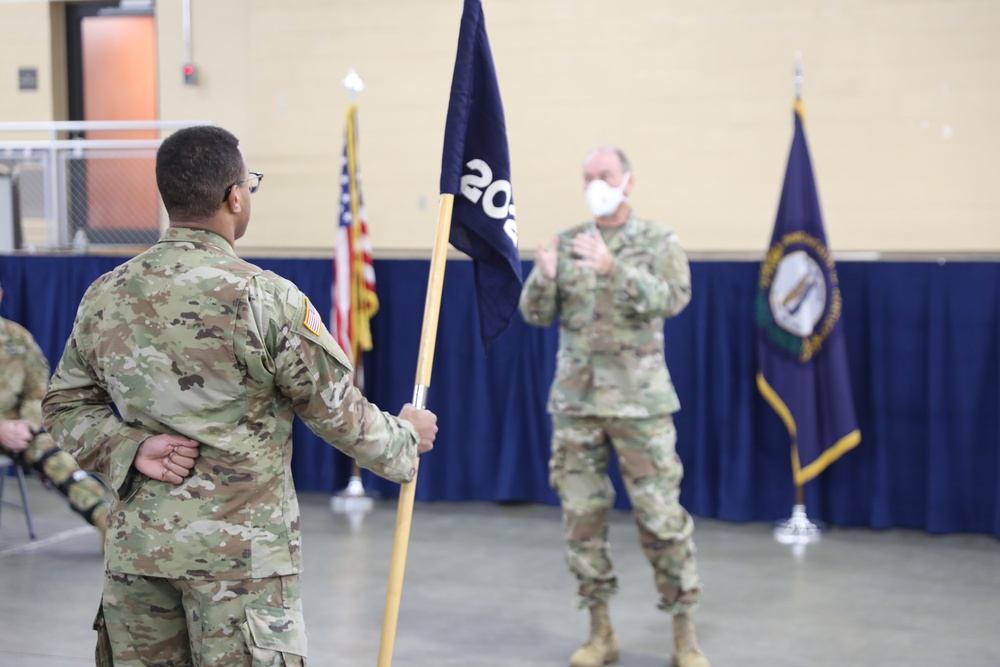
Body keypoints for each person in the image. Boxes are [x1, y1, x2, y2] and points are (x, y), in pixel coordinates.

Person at [42, 125, 437, 667]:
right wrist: (406, 439)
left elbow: (64, 405)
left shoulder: (105, 293)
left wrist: (128, 448)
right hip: (242, 569)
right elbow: (336, 412)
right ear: (234, 196)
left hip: (139, 557)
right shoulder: (263, 297)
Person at [519, 146, 709, 667]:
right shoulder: (565, 241)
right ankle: (600, 631)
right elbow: (534, 314)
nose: (595, 184)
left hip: (639, 405)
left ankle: (684, 633)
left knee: (661, 519)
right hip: (577, 405)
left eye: (604, 175)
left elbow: (674, 297)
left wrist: (614, 268)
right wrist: (545, 276)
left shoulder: (658, 240)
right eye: (587, 178)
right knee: (582, 519)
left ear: (627, 181)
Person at [0, 280, 109, 542]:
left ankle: (109, 526)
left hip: (18, 427)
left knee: (63, 464)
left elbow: (37, 391)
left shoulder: (16, 337)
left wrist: (26, 424)